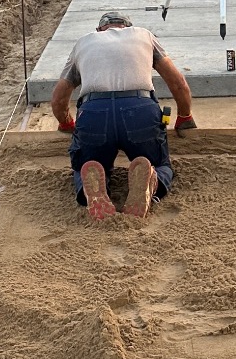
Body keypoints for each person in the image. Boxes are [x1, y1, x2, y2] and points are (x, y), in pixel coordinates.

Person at [49, 11, 196, 223]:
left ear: (99, 30)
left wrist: (66, 123)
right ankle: (152, 180)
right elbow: (178, 83)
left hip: (94, 113)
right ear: (127, 27)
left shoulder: (84, 43)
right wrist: (184, 116)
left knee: (85, 165)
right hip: (140, 111)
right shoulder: (144, 35)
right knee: (161, 164)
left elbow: (58, 99)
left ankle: (92, 185)